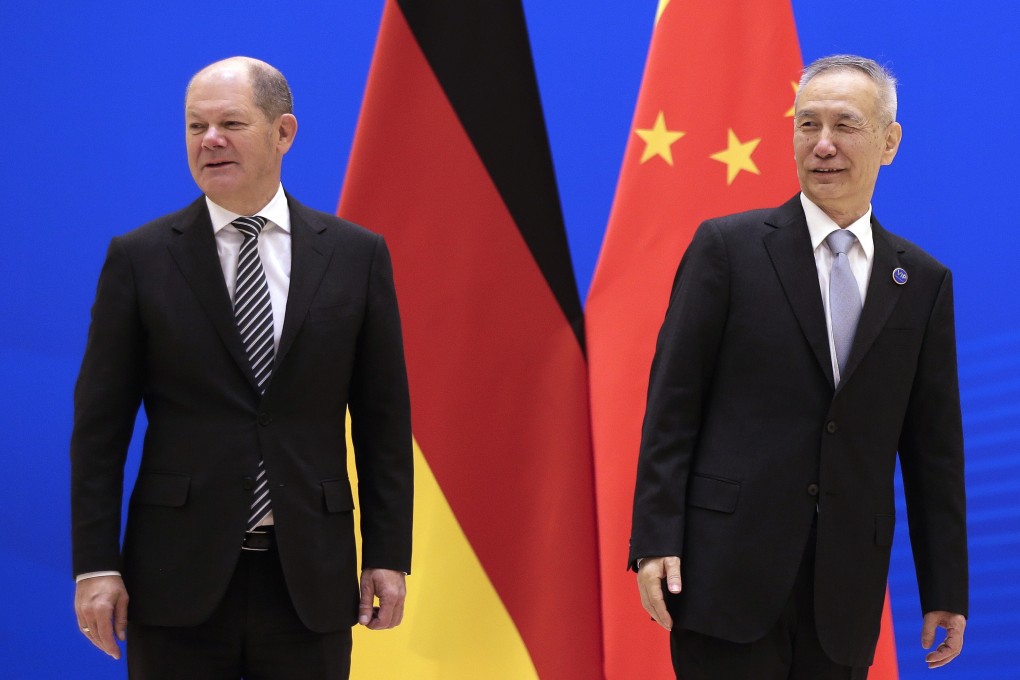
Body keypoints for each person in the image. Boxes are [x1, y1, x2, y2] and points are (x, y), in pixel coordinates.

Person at [70, 56, 413, 679]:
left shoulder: (355, 256)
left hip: (309, 577)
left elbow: (382, 423)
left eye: (230, 123)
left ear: (284, 133)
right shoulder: (140, 258)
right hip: (175, 577)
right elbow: (99, 431)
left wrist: (387, 554)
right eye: (195, 126)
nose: (210, 140)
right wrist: (96, 565)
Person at [630, 54, 968, 679]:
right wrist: (654, 539)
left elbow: (934, 450)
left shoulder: (921, 281)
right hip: (725, 575)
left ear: (889, 142)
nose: (823, 145)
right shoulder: (727, 249)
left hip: (844, 593)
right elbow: (672, 407)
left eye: (846, 125)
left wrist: (945, 586)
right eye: (807, 124)